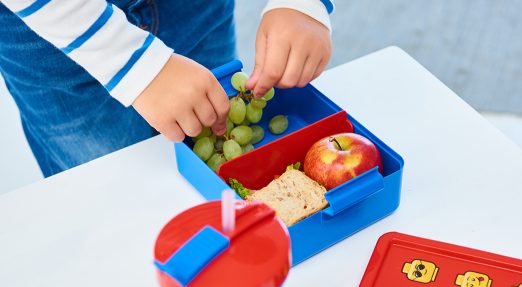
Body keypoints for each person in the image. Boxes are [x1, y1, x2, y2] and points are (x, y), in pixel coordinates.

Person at [0, 0, 334, 177]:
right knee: (113, 187)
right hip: (59, 33)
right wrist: (130, 62)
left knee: (213, 122)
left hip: (195, 9)